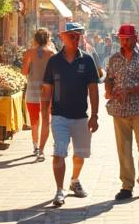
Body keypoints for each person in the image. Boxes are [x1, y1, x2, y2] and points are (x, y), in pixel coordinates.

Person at [41, 22, 101, 207]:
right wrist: (44, 113)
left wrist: (95, 115)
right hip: (59, 115)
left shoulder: (87, 60)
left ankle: (74, 180)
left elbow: (93, 89)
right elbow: (47, 89)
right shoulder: (54, 61)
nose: (75, 39)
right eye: (72, 36)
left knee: (80, 154)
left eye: (78, 36)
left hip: (81, 116)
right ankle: (60, 190)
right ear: (63, 37)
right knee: (59, 152)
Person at [105, 25, 139, 201]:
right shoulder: (114, 58)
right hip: (119, 110)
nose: (124, 42)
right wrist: (109, 91)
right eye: (121, 39)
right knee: (124, 149)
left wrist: (132, 89)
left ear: (136, 37)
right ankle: (127, 186)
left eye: (127, 39)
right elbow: (109, 78)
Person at [22, 28, 56, 161]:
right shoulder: (52, 53)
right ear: (48, 39)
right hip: (47, 91)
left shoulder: (29, 53)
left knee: (34, 121)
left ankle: (36, 147)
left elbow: (24, 72)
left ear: (35, 39)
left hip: (32, 91)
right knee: (46, 120)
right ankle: (43, 148)